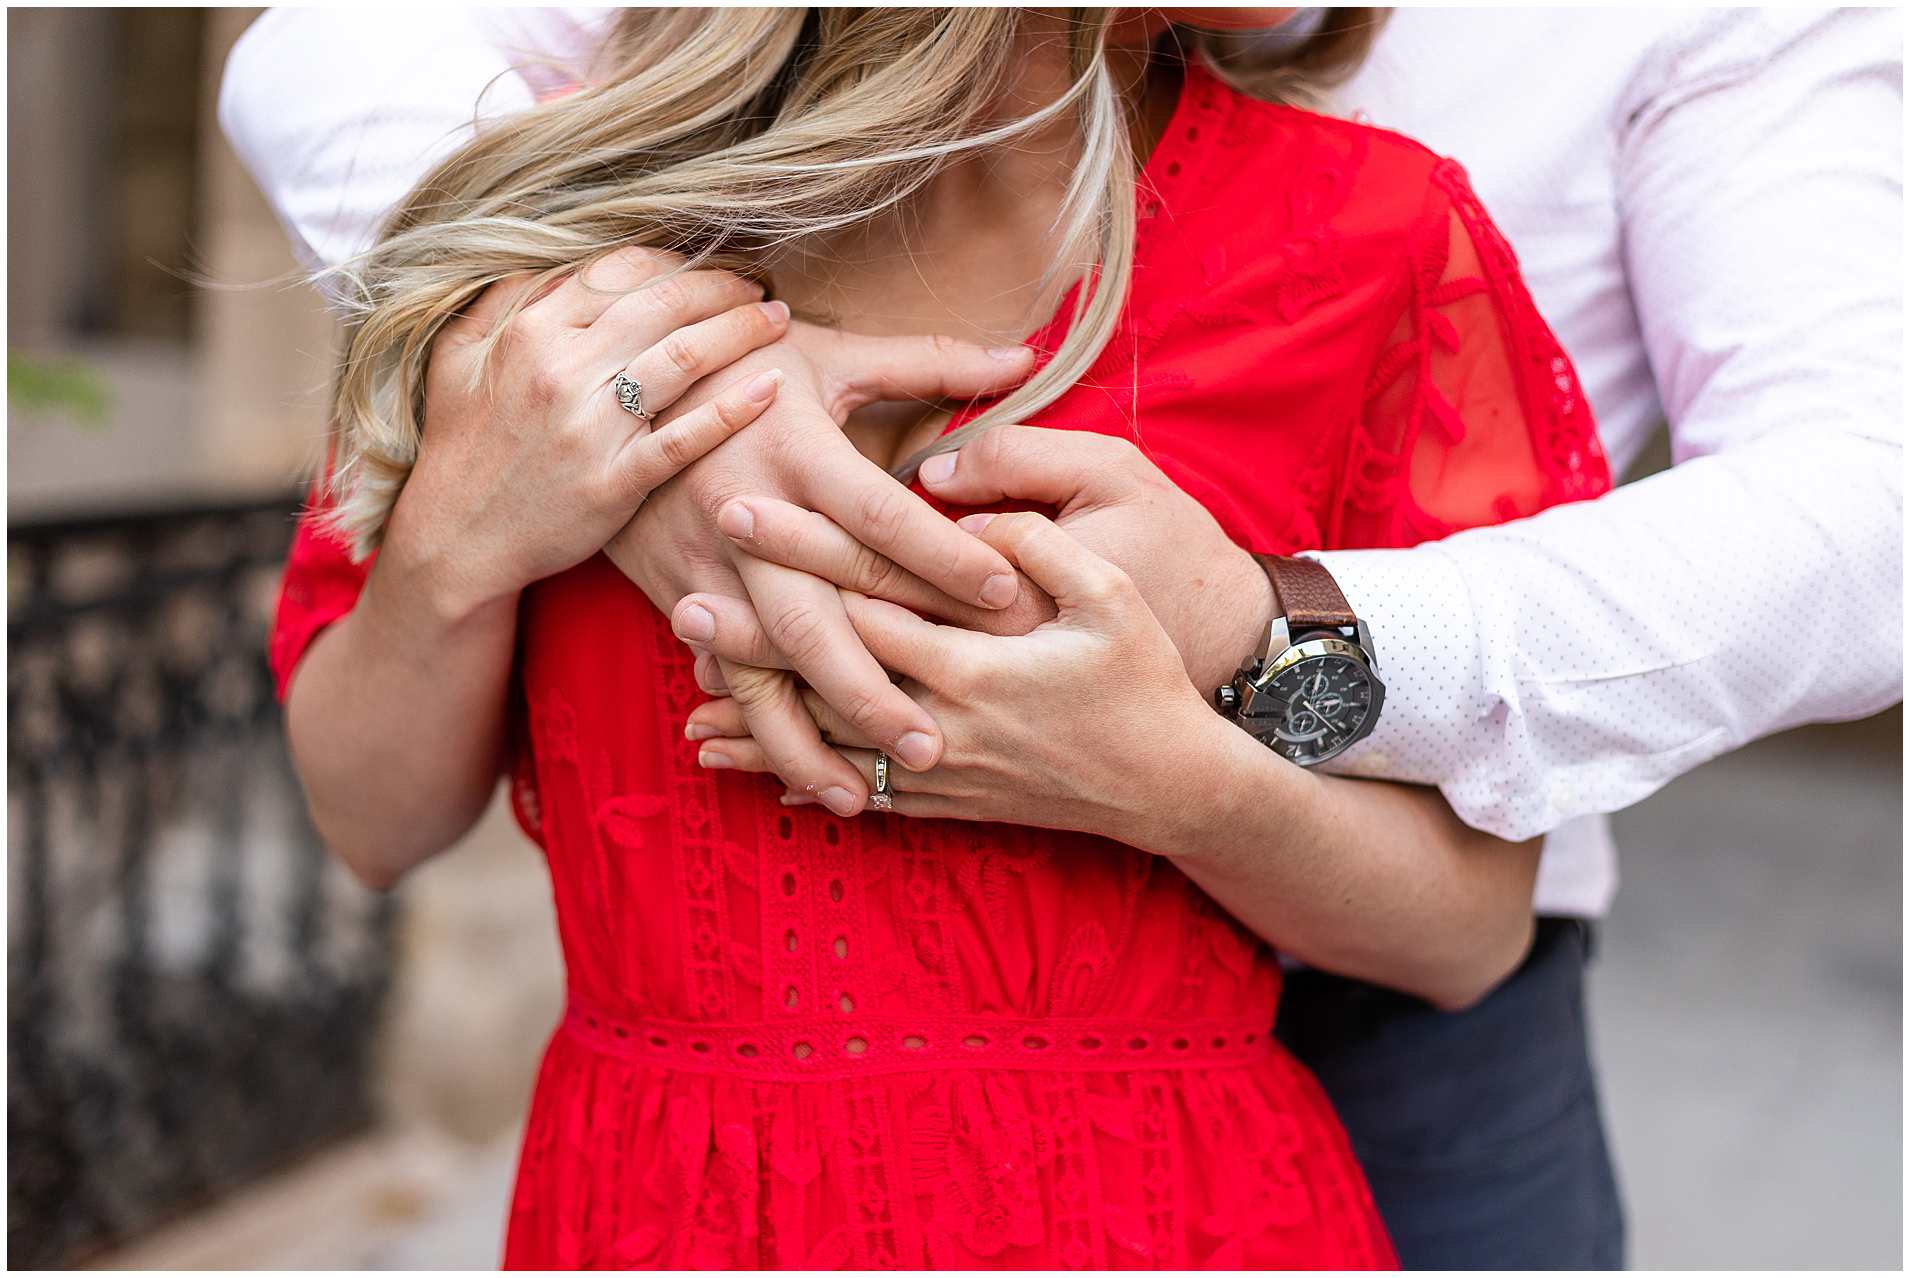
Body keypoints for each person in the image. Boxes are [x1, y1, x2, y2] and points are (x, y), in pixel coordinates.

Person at [220, 5, 1903, 1269]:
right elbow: (369, 816)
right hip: (660, 1201)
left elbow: (1474, 922)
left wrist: (1181, 751)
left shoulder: (1370, 239)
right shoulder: (541, 232)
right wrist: (460, 541)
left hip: (1197, 1190)